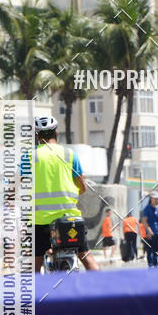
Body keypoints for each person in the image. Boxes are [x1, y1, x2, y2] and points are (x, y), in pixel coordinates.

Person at [32, 116, 98, 272]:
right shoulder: (70, 155)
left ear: (37, 136)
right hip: (69, 218)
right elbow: (82, 187)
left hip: (40, 221)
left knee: (33, 266)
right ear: (56, 133)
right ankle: (103, 293)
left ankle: (33, 296)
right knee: (87, 259)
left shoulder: (29, 157)